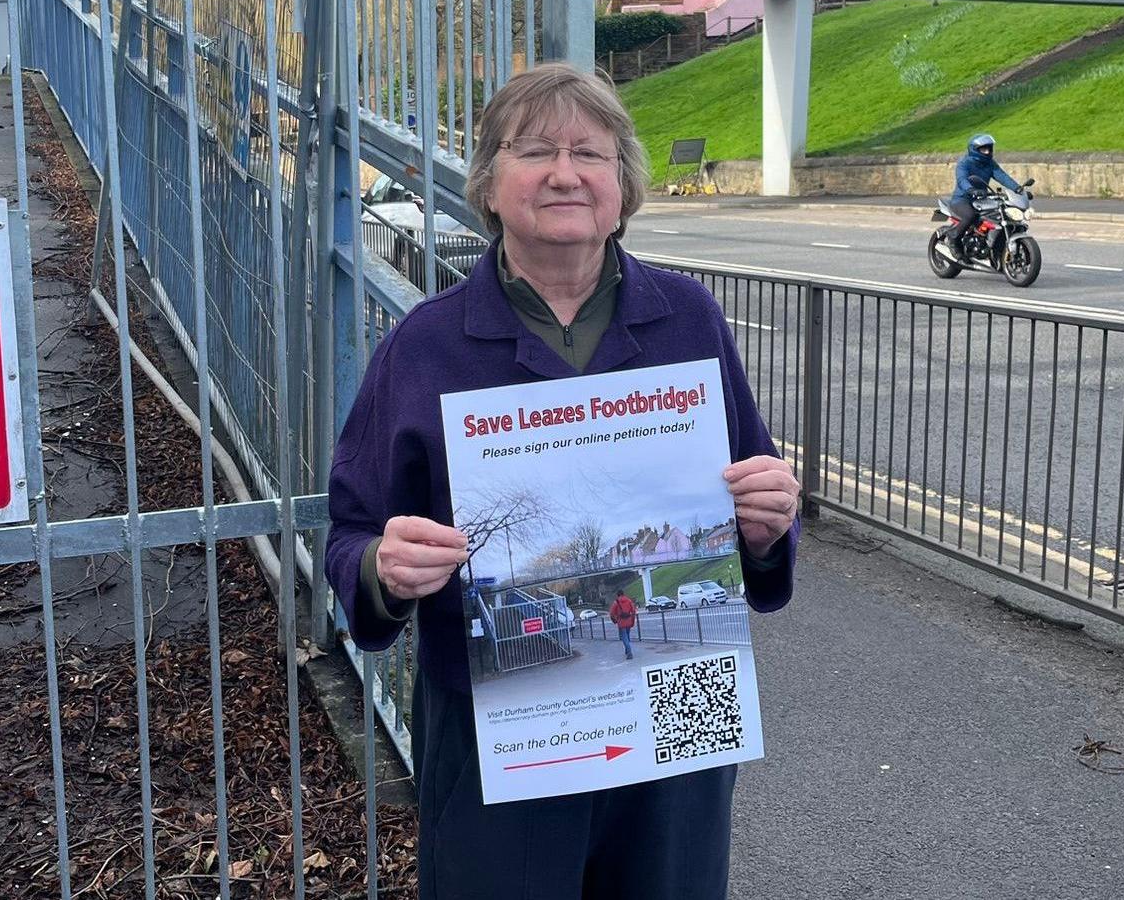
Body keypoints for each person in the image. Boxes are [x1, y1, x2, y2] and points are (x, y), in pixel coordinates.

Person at [325, 62, 801, 900]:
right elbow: (352, 532)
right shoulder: (427, 346)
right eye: (535, 149)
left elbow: (754, 519)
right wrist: (380, 570)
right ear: (489, 185)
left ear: (622, 186)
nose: (565, 171)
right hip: (497, 731)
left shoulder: (690, 320)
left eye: (592, 152)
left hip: (675, 729)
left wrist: (767, 525)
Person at [944, 132, 1020, 261]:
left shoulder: (990, 163)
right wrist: (971, 189)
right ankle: (953, 238)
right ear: (974, 150)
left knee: (998, 215)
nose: (987, 152)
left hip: (982, 199)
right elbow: (962, 180)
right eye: (984, 149)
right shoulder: (964, 163)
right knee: (970, 215)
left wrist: (1018, 189)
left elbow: (1002, 176)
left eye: (989, 148)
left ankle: (992, 247)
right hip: (962, 199)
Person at [609, 590, 639, 659]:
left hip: (621, 622)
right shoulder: (629, 601)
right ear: (623, 594)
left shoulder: (616, 602)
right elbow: (633, 611)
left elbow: (611, 613)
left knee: (624, 638)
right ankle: (627, 649)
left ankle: (629, 653)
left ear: (618, 595)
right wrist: (632, 620)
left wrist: (615, 620)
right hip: (628, 621)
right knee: (627, 636)